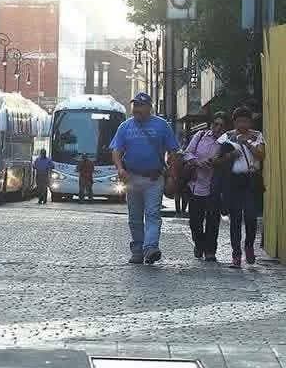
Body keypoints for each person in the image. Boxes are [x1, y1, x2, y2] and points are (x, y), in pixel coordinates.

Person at [109, 92, 180, 265]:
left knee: (153, 214)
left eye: (141, 105)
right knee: (134, 217)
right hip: (131, 178)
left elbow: (173, 151)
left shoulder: (162, 126)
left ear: (150, 107)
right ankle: (138, 250)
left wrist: (172, 173)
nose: (137, 109)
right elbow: (116, 151)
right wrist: (120, 168)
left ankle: (150, 248)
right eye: (135, 105)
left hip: (154, 178)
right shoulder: (124, 127)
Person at [217, 106, 265, 268]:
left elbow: (261, 155)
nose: (242, 124)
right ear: (234, 121)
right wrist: (231, 155)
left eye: (245, 121)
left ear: (250, 122)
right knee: (235, 219)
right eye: (239, 121)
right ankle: (236, 255)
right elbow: (218, 159)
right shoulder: (227, 137)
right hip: (233, 181)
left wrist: (248, 144)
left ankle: (249, 246)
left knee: (251, 216)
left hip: (251, 181)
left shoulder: (257, 136)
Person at [184, 112, 226, 262]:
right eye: (216, 124)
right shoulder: (200, 135)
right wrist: (197, 162)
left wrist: (218, 162)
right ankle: (199, 244)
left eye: (222, 125)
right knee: (195, 221)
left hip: (214, 186)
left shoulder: (226, 142)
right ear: (211, 124)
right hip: (195, 184)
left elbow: (229, 160)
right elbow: (187, 153)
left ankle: (210, 251)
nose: (218, 128)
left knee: (213, 220)